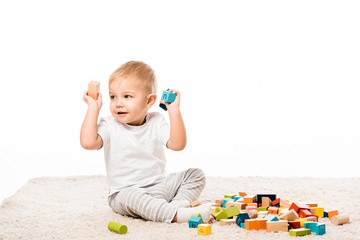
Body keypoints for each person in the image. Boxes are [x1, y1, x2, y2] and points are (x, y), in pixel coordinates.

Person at [80, 61, 210, 223]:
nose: (118, 102)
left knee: (195, 174)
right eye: (113, 96)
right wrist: (93, 108)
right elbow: (88, 143)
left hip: (160, 186)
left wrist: (174, 111)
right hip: (124, 193)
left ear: (149, 101)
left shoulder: (156, 121)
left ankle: (178, 204)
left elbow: (177, 145)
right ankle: (177, 215)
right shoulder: (109, 124)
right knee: (133, 196)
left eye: (127, 96)